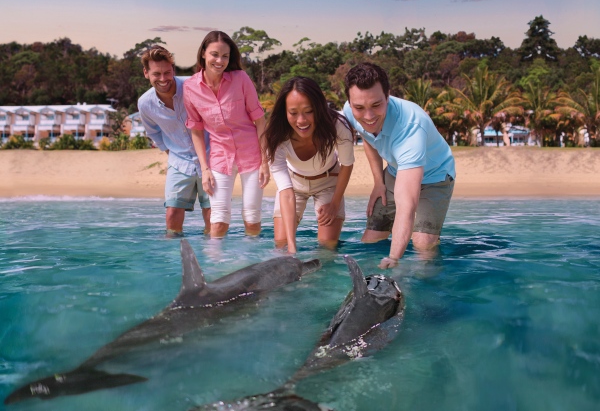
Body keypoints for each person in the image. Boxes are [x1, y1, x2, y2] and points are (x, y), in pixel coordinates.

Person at [343, 63, 456, 269]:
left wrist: (394, 258)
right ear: (350, 103)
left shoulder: (410, 126)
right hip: (395, 172)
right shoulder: (349, 111)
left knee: (422, 246)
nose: (368, 116)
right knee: (370, 238)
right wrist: (379, 182)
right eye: (359, 107)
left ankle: (428, 291)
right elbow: (368, 139)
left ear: (388, 97)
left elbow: (406, 206)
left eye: (376, 105)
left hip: (435, 177)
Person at [183, 31, 269, 238]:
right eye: (214, 54)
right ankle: (215, 267)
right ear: (203, 53)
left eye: (225, 56)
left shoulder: (241, 79)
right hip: (220, 157)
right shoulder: (190, 87)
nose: (219, 61)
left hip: (252, 155)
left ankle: (252, 264)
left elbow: (259, 120)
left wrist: (265, 161)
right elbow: (196, 130)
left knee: (252, 218)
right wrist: (205, 170)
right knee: (218, 221)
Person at [264, 76, 355, 254]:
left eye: (308, 111)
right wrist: (291, 247)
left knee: (327, 246)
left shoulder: (337, 126)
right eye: (293, 112)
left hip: (329, 181)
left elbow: (347, 164)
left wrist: (334, 204)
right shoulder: (276, 137)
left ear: (319, 108)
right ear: (284, 112)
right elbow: (286, 192)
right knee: (282, 244)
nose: (301, 120)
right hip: (294, 184)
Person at [138, 45, 211, 236]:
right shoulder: (145, 103)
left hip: (211, 158)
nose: (163, 79)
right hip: (179, 162)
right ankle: (173, 262)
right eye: (157, 74)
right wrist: (171, 153)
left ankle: (214, 258)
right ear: (146, 73)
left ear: (173, 70)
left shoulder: (194, 87)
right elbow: (153, 132)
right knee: (172, 214)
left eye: (167, 72)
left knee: (213, 216)